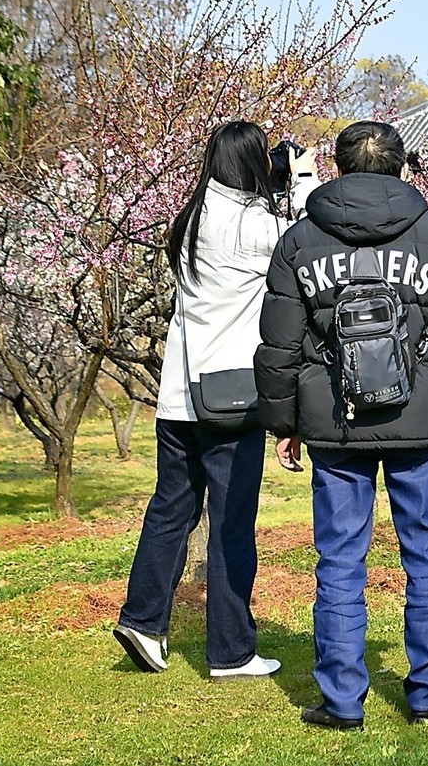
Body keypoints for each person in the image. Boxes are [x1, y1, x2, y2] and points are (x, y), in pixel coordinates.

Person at [255, 120, 428, 730]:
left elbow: (279, 346)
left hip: (335, 429)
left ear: (337, 168)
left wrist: (284, 422)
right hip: (417, 427)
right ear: (403, 167)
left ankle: (341, 701)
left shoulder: (299, 242)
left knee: (339, 559)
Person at [114, 122, 316, 679]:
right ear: (252, 162)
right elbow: (306, 230)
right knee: (231, 522)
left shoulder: (192, 218)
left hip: (177, 397)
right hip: (229, 399)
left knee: (170, 508)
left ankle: (143, 620)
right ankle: (231, 651)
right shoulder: (253, 224)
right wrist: (299, 174)